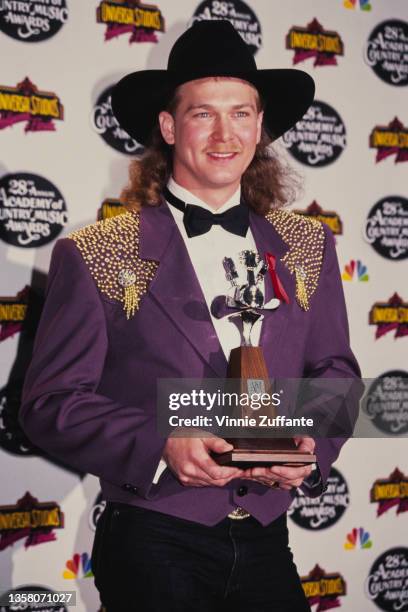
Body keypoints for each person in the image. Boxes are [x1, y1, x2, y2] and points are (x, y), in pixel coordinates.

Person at [20, 20, 361, 612]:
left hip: (267, 537)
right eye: (204, 114)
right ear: (170, 126)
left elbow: (335, 369)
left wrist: (311, 444)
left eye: (241, 113)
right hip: (155, 540)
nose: (224, 133)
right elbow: (51, 404)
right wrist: (162, 444)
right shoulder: (98, 252)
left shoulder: (308, 245)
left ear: (260, 126)